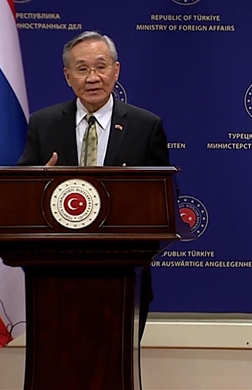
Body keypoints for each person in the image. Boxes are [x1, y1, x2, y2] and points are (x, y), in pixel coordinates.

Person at [17, 30, 170, 340]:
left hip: (123, 272)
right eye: (82, 69)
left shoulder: (145, 126)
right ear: (67, 76)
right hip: (55, 273)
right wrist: (38, 183)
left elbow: (165, 196)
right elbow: (19, 193)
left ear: (116, 70)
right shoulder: (43, 124)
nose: (93, 78)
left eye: (101, 67)